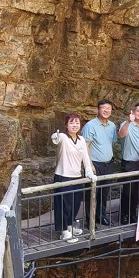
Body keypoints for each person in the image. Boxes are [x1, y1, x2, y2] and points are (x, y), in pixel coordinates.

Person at [52, 113, 96, 242]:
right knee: (64, 205)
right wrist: (55, 137)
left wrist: (89, 172)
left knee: (75, 204)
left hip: (77, 177)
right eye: (71, 122)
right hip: (63, 176)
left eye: (77, 122)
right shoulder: (63, 137)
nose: (75, 125)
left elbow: (86, 159)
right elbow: (56, 138)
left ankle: (70, 225)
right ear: (66, 125)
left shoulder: (81, 139)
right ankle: (64, 230)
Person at [81, 99, 117, 226]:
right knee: (91, 192)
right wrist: (89, 165)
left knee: (104, 192)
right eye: (103, 108)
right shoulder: (90, 125)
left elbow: (110, 143)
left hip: (108, 164)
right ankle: (89, 220)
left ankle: (101, 216)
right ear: (98, 109)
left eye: (109, 108)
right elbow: (85, 146)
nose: (106, 110)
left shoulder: (112, 126)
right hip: (95, 164)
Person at [118, 102, 139, 224]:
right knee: (128, 191)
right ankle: (123, 215)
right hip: (129, 163)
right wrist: (128, 121)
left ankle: (133, 214)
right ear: (134, 112)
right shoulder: (126, 124)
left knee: (137, 191)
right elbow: (121, 134)